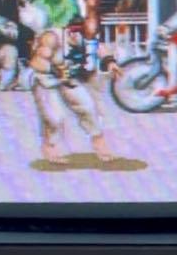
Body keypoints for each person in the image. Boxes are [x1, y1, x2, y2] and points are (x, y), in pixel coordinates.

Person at [29, 27, 115, 164]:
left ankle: (98, 141)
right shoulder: (52, 37)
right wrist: (55, 69)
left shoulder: (85, 36)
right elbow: (35, 62)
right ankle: (49, 146)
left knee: (88, 106)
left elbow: (99, 48)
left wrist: (110, 62)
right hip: (45, 80)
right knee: (55, 117)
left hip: (68, 79)